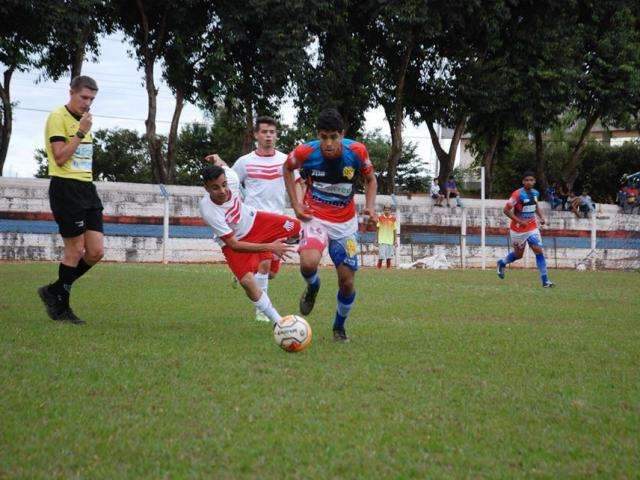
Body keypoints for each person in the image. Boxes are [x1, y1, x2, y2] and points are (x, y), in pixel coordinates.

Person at [283, 108, 377, 342]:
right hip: (315, 218)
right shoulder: (306, 152)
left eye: (333, 137)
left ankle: (339, 326)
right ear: (318, 135)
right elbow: (287, 167)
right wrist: (295, 205)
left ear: (341, 135)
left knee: (347, 282)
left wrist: (371, 207)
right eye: (323, 137)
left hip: (346, 225)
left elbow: (371, 179)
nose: (328, 143)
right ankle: (313, 286)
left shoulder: (357, 151)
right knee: (308, 264)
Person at [206, 116, 301, 322]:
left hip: (275, 219)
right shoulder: (245, 161)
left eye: (272, 132)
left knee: (271, 272)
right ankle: (263, 312)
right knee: (265, 264)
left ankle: (245, 272)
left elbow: (298, 183)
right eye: (264, 132)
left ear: (276, 135)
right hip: (252, 221)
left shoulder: (286, 160)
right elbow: (228, 176)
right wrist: (218, 161)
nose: (268, 135)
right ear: (256, 135)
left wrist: (300, 205)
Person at [37, 76, 103, 325]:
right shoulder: (58, 117)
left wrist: (82, 129)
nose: (87, 103)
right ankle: (61, 308)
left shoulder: (84, 121)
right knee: (75, 250)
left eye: (92, 99)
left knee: (95, 251)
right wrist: (80, 132)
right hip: (66, 187)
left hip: (87, 187)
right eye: (83, 97)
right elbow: (60, 156)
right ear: (72, 93)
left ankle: (54, 289)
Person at [496, 170, 554, 288]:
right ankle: (502, 263)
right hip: (518, 230)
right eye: (527, 180)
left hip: (532, 227)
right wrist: (519, 221)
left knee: (538, 250)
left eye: (531, 180)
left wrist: (541, 217)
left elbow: (535, 205)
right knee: (518, 255)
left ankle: (545, 280)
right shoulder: (517, 195)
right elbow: (506, 210)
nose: (529, 182)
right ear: (523, 181)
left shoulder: (536, 193)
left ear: (534, 181)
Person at [376, 205, 398, 269]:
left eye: (388, 210)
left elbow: (394, 230)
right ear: (383, 210)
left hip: (390, 241)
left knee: (389, 256)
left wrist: (395, 240)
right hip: (382, 240)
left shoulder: (393, 219)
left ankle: (388, 269)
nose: (387, 211)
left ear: (390, 211)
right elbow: (377, 229)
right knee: (381, 256)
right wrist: (376, 239)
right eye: (385, 210)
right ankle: (378, 268)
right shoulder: (380, 218)